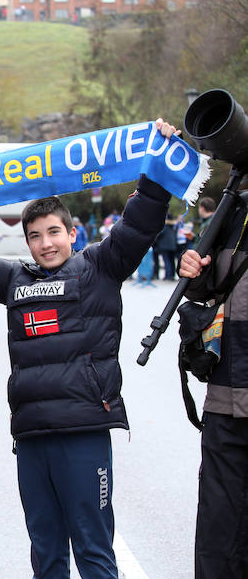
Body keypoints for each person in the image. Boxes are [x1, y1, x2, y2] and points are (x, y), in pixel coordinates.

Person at [0, 119, 179, 579]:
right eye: (35, 235)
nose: (45, 244)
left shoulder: (101, 266)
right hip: (33, 438)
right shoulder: (13, 280)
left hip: (85, 433)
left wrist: (157, 166)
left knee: (94, 552)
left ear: (73, 233)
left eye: (53, 232)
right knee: (46, 555)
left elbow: (140, 224)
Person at [179, 183, 248, 578]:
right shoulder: (236, 209)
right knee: (218, 537)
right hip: (224, 404)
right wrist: (192, 268)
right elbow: (207, 287)